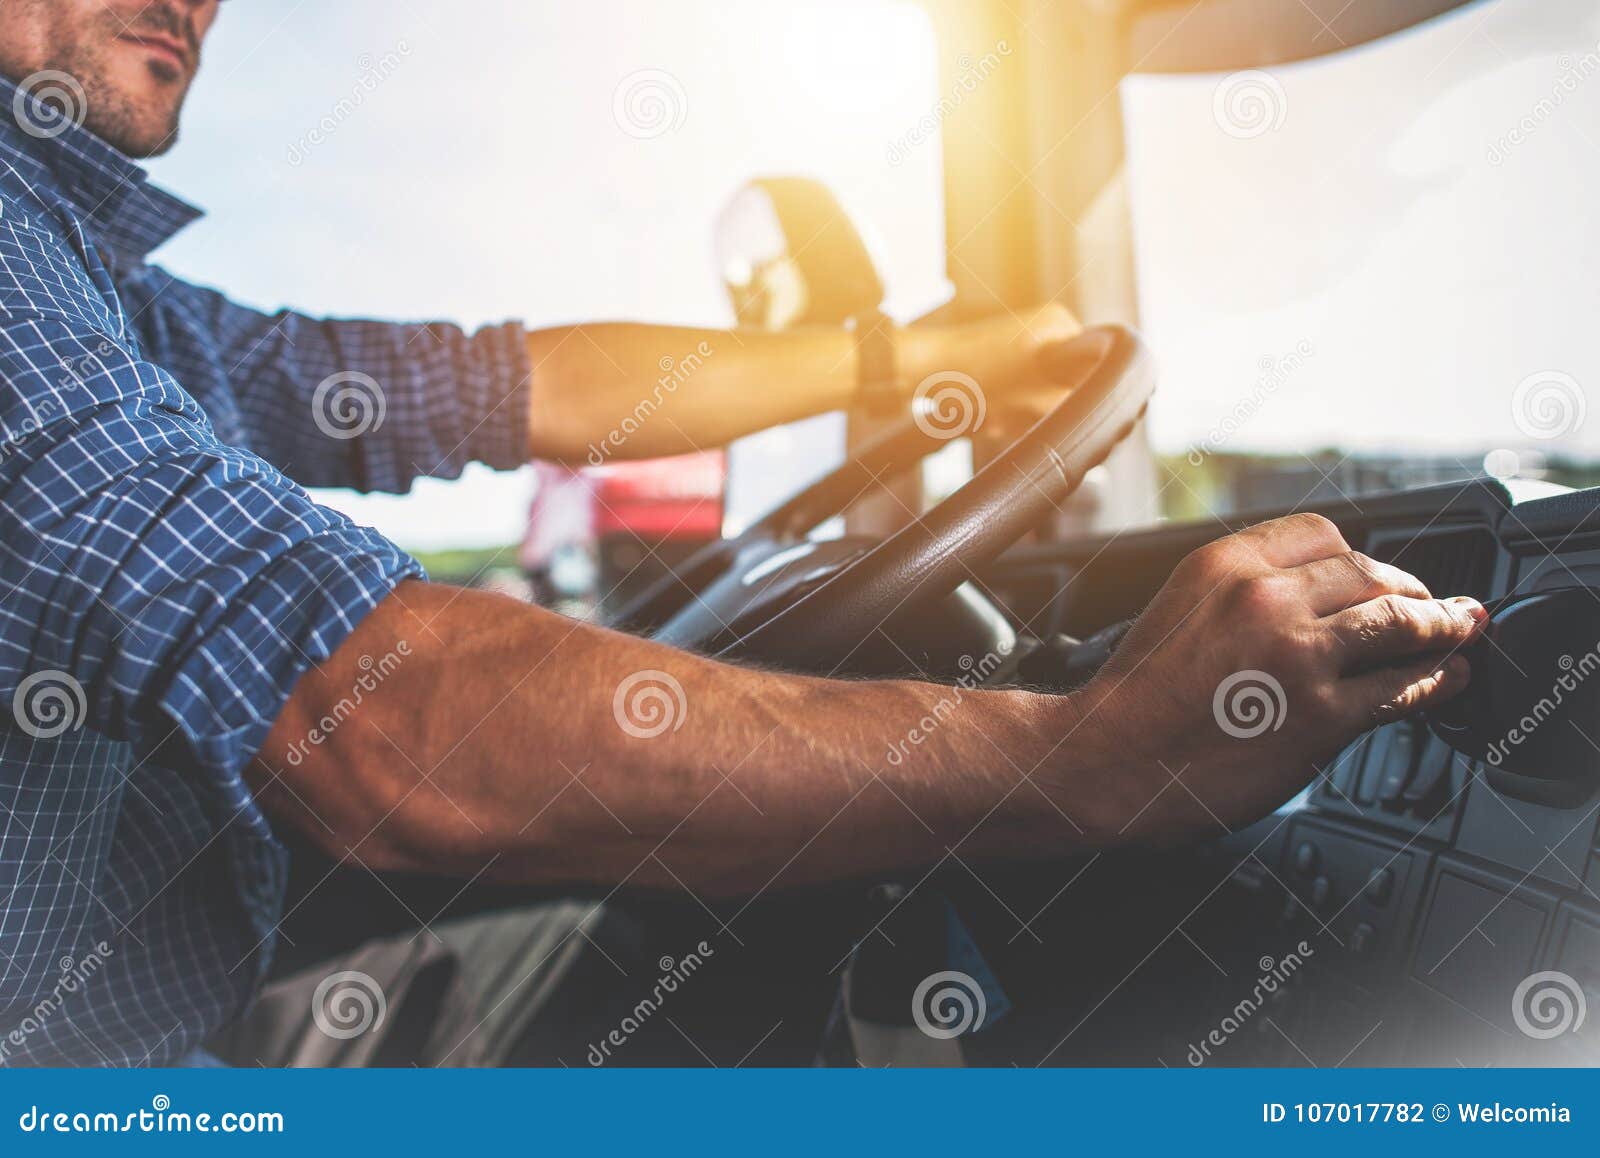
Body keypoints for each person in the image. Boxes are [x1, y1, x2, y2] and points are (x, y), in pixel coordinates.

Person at [0, 0, 1484, 1066]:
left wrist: (902, 364)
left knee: (683, 944)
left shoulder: (105, 287)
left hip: (188, 994)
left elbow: (479, 382)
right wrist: (1096, 752)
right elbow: (373, 718)